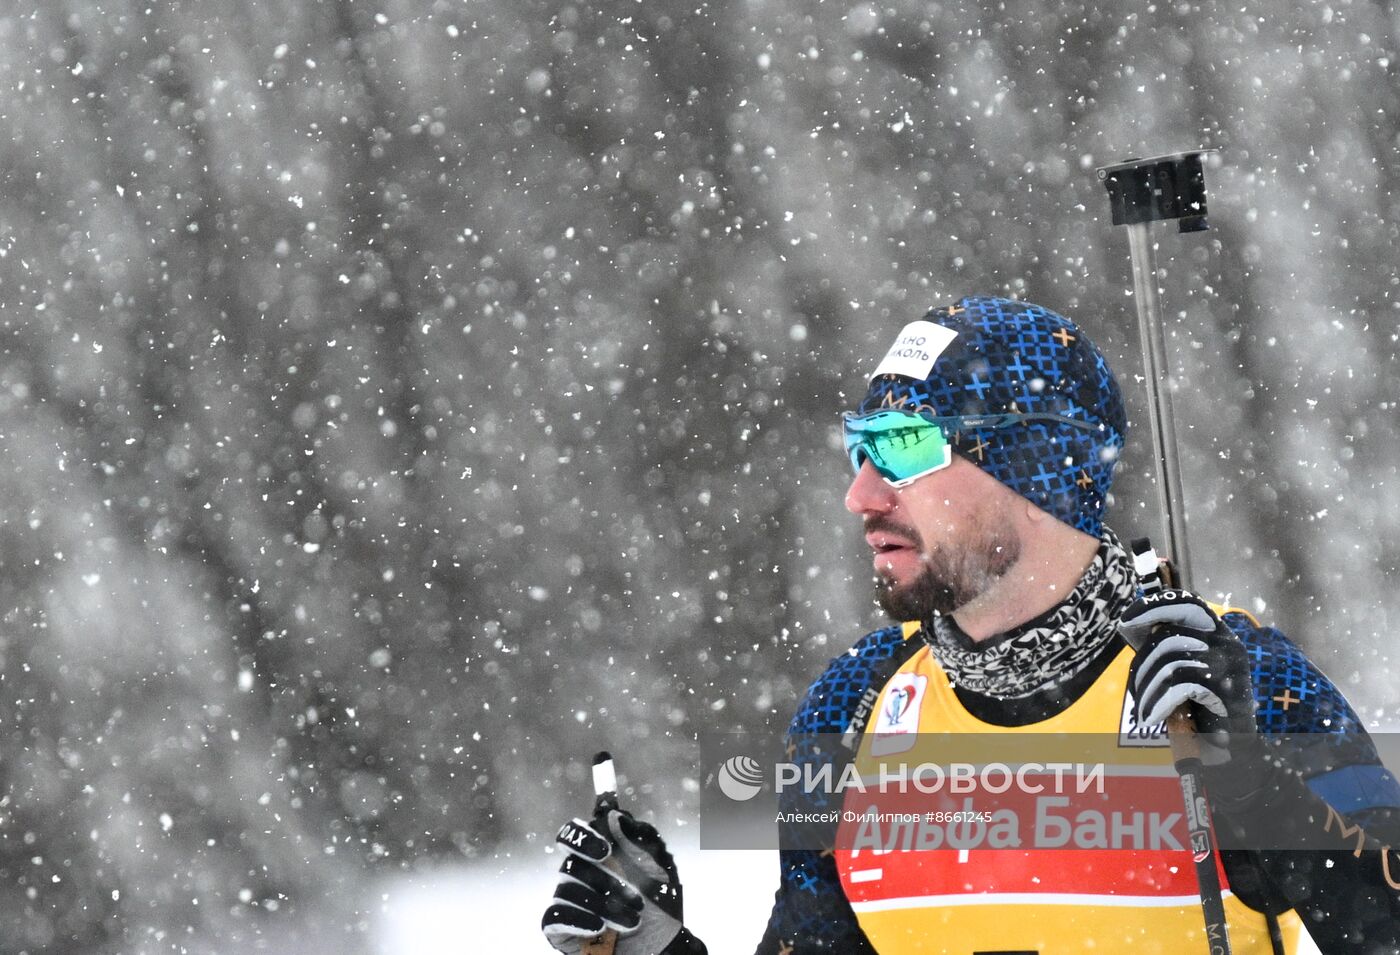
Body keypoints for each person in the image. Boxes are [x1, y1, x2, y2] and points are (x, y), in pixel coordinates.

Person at [541, 296, 1400, 954]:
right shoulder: (851, 708)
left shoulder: (1224, 677)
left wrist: (1269, 804)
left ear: (1035, 465)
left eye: (908, 445)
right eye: (859, 449)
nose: (863, 494)